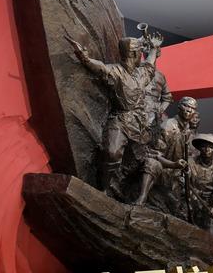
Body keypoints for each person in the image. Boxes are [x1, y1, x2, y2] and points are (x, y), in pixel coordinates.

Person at [67, 33, 163, 196]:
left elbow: (150, 64)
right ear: (134, 54)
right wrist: (84, 58)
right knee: (112, 153)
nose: (142, 56)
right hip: (120, 120)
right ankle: (105, 188)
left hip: (139, 124)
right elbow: (100, 68)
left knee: (138, 161)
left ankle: (127, 190)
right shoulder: (115, 71)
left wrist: (154, 49)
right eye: (140, 52)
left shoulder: (142, 73)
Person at [187, 133, 213, 234]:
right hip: (191, 196)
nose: (207, 150)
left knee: (211, 223)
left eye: (210, 147)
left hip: (209, 200)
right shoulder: (191, 162)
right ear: (200, 148)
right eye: (204, 146)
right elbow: (183, 181)